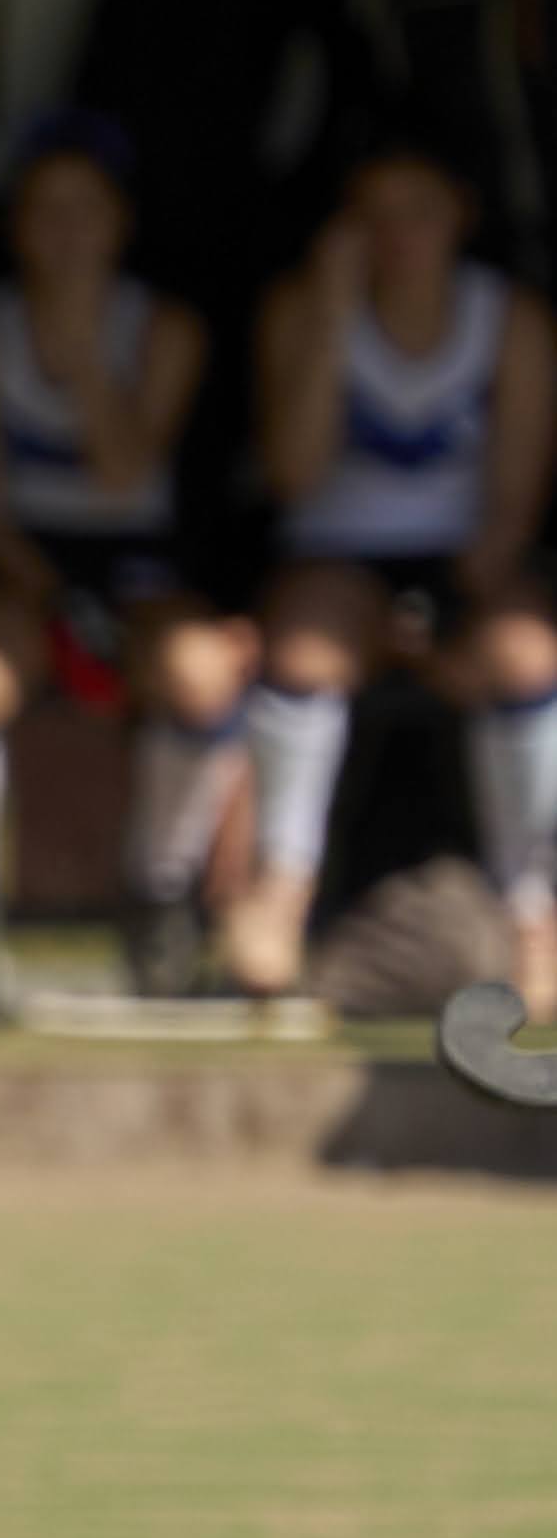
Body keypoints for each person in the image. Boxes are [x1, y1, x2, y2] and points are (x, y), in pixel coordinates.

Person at [228, 133, 557, 1008]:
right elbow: (291, 472)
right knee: (302, 651)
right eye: (372, 217)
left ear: (460, 218)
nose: (396, 236)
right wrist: (334, 312)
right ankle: (279, 888)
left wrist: (440, 619)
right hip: (332, 558)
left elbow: (515, 500)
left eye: (417, 213)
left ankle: (534, 912)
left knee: (526, 655)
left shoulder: (509, 319)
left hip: (464, 565)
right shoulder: (298, 309)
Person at [0, 117, 232, 1007]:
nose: (65, 233)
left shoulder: (163, 328)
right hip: (24, 564)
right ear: (14, 225)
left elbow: (124, 469)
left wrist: (85, 349)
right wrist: (49, 599)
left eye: (85, 211)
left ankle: (160, 894)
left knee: (199, 675)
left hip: (136, 563)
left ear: (119, 223)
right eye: (44, 211)